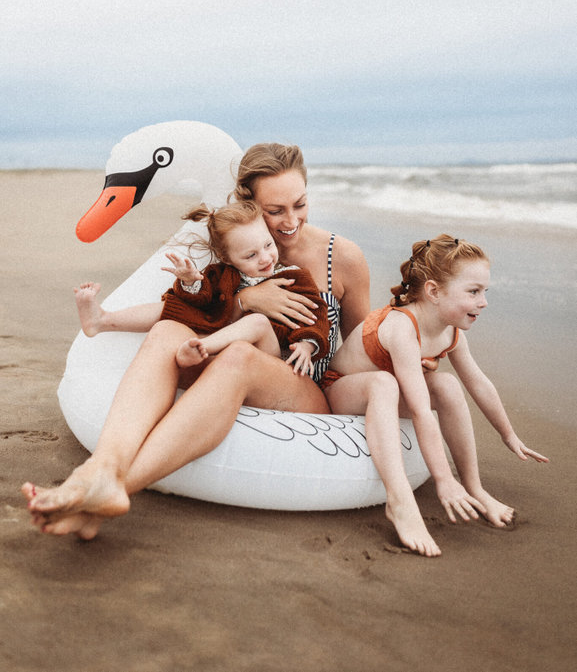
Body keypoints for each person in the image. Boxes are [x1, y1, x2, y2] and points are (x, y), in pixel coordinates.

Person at [23, 143, 372, 539]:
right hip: (232, 353)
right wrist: (245, 300)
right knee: (167, 330)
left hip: (300, 382)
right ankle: (102, 469)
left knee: (239, 356)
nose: (291, 221)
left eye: (300, 204)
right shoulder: (235, 239)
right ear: (250, 205)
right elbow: (197, 306)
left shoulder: (341, 257)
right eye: (275, 211)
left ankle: (112, 488)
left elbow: (359, 344)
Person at [322, 234, 549, 556]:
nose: (483, 302)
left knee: (448, 385)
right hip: (343, 391)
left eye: (484, 291)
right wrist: (442, 479)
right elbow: (419, 410)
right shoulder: (403, 328)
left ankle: (475, 488)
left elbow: (478, 383)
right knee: (383, 384)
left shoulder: (450, 329)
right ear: (433, 291)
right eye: (473, 292)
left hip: (389, 394)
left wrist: (509, 435)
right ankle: (399, 501)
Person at [74, 200, 330, 378]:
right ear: (227, 258)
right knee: (169, 307)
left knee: (259, 322)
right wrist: (190, 281)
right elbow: (200, 301)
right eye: (251, 255)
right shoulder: (223, 275)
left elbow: (317, 315)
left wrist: (307, 345)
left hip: (272, 356)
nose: (264, 258)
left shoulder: (294, 277)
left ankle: (201, 347)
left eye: (267, 245)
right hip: (229, 348)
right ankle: (102, 320)